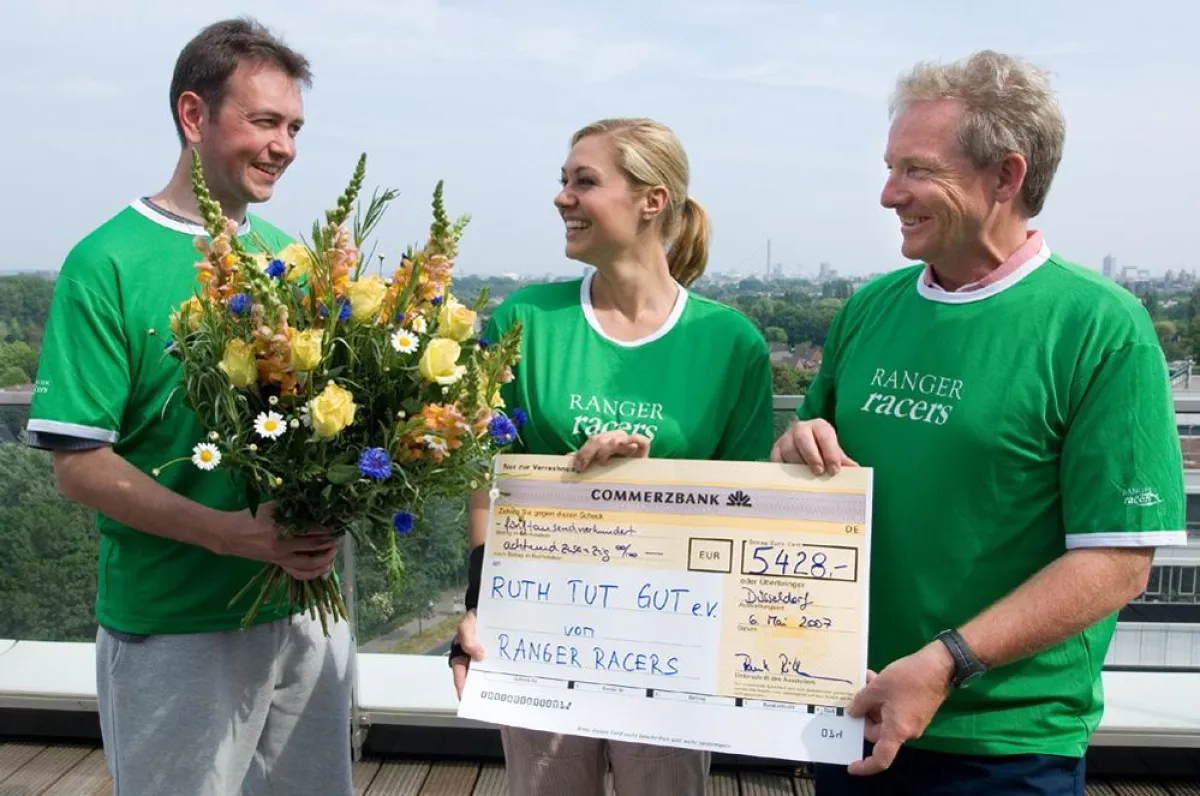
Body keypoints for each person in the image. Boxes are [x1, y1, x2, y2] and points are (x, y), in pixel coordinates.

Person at [771, 50, 1188, 795]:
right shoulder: (870, 309)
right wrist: (795, 445)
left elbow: (1118, 560)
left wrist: (945, 663)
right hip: (853, 710)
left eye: (917, 170)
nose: (888, 194)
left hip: (1004, 744)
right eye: (890, 168)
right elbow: (802, 454)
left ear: (1006, 176)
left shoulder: (1101, 327)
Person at [26, 18, 354, 796]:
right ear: (194, 115)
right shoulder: (106, 261)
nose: (284, 147)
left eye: (295, 127)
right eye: (265, 122)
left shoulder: (289, 260)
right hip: (174, 627)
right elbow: (80, 466)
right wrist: (234, 536)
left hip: (306, 616)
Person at [449, 117, 775, 795]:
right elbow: (485, 478)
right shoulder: (523, 322)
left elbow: (747, 506)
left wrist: (648, 485)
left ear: (652, 200)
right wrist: (478, 606)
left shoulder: (731, 343)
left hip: (670, 646)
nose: (562, 197)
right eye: (563, 180)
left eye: (584, 181)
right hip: (539, 632)